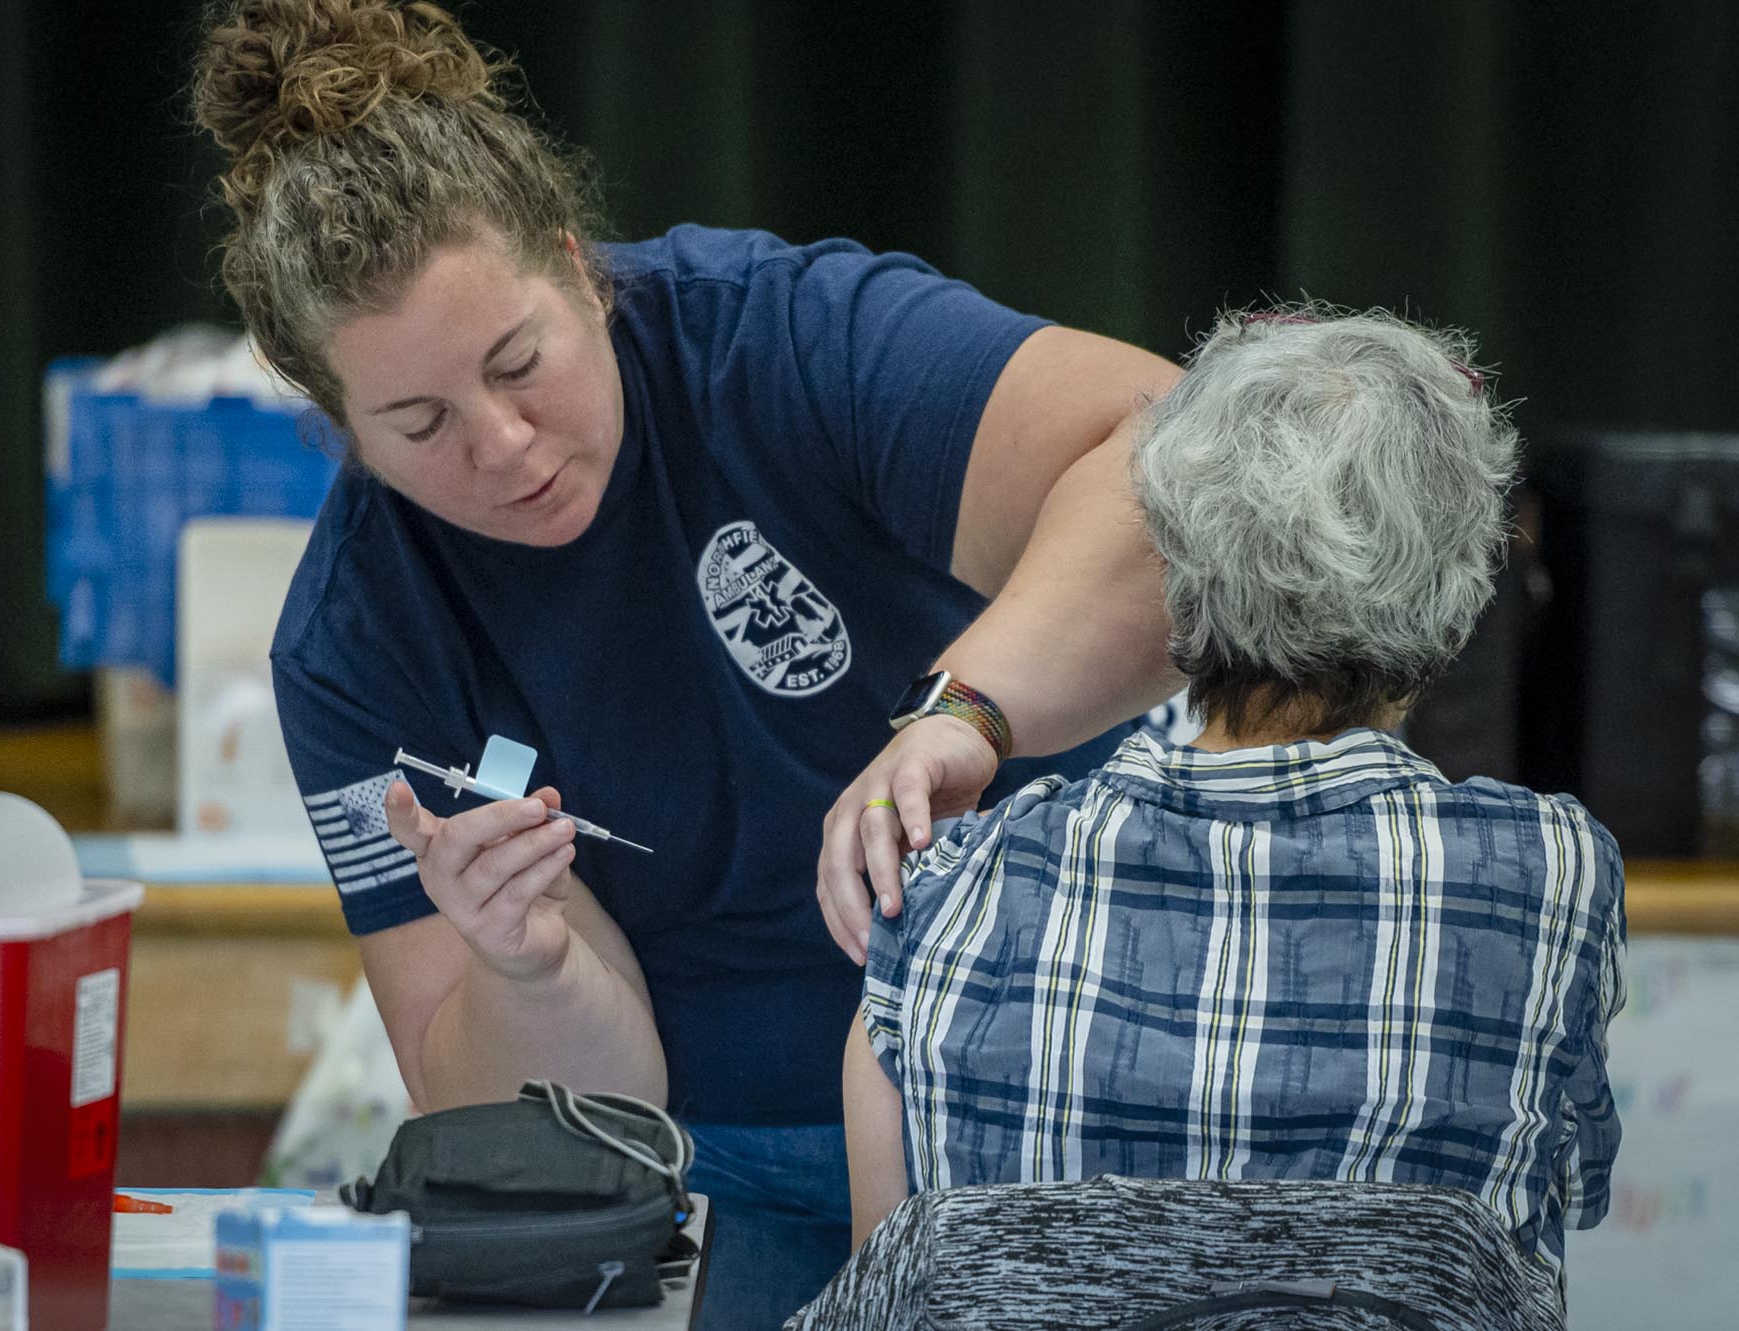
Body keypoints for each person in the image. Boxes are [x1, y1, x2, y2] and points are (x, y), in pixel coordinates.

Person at [192, 2, 1180, 1324]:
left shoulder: (776, 342)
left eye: (520, 362)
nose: (503, 446)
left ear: (579, 268)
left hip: (1063, 1089)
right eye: (418, 422)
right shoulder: (359, 641)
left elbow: (1177, 457)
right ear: (337, 424)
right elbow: (550, 1118)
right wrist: (524, 962)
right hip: (720, 1166)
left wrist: (968, 711)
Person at [845, 307, 1626, 1302]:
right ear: (1457, 586)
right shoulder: (1550, 874)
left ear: (1170, 560)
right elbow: (1564, 1196)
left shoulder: (945, 890)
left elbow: (890, 1294)